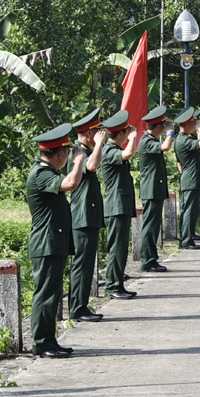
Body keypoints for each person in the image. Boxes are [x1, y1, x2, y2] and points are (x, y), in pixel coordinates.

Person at [27, 123, 84, 358]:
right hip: (46, 242)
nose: (68, 160)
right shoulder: (41, 173)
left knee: (52, 293)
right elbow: (71, 183)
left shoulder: (45, 171)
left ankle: (49, 339)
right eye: (67, 155)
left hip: (53, 241)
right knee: (46, 294)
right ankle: (41, 342)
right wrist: (79, 161)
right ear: (60, 154)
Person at [68, 108, 107, 323]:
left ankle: (80, 305)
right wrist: (100, 144)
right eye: (97, 131)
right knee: (81, 263)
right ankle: (77, 307)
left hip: (88, 214)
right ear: (89, 133)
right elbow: (91, 166)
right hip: (81, 215)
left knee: (86, 262)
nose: (100, 134)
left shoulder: (84, 150)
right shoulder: (77, 152)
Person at [99, 110, 139, 299]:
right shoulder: (109, 151)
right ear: (120, 134)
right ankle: (112, 286)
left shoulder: (115, 150)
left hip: (121, 205)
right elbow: (129, 153)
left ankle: (118, 283)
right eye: (126, 133)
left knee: (121, 247)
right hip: (115, 206)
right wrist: (133, 138)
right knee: (116, 248)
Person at [138, 106, 174, 273]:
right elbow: (166, 147)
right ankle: (147, 259)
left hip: (155, 189)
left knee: (153, 226)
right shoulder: (147, 142)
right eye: (163, 127)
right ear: (159, 128)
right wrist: (170, 133)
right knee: (150, 226)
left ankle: (151, 257)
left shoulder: (150, 140)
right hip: (151, 190)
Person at [174, 107, 200, 250]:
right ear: (189, 125)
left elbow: (179, 163)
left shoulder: (183, 139)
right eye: (193, 124)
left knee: (189, 210)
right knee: (189, 211)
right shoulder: (183, 141)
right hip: (190, 179)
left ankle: (187, 238)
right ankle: (186, 240)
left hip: (189, 177)